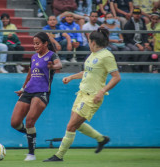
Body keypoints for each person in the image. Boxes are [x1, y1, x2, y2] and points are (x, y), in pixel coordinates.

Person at [43, 27, 121, 162]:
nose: (89, 44)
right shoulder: (92, 54)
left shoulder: (107, 56)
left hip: (93, 96)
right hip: (82, 93)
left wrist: (102, 92)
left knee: (71, 126)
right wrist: (71, 77)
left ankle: (59, 156)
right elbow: (87, 72)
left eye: (89, 41)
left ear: (94, 42)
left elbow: (116, 77)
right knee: (76, 125)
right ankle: (101, 139)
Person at [11, 32, 62, 161]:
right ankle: (30, 134)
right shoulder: (33, 57)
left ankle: (31, 154)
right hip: (28, 91)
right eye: (34, 43)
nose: (35, 46)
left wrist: (53, 66)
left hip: (42, 92)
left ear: (45, 43)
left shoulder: (51, 55)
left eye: (37, 43)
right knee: (15, 123)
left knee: (29, 121)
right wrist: (23, 89)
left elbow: (59, 65)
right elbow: (29, 75)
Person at [123, 8, 152, 72]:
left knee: (147, 50)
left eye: (139, 14)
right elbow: (129, 38)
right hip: (130, 42)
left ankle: (137, 66)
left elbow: (144, 33)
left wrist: (146, 42)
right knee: (136, 50)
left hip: (140, 41)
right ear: (133, 14)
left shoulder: (142, 21)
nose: (137, 15)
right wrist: (138, 45)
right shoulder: (128, 24)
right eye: (136, 14)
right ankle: (135, 66)